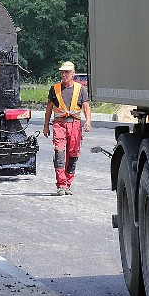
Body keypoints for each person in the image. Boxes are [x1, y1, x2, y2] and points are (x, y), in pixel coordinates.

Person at [43, 61, 91, 196]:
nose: (63, 75)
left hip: (75, 125)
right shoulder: (54, 89)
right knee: (59, 153)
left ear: (73, 73)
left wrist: (88, 122)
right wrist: (46, 126)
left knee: (73, 155)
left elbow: (86, 107)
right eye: (62, 72)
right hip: (59, 124)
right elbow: (48, 109)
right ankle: (61, 184)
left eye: (66, 72)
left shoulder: (80, 89)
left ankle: (68, 184)